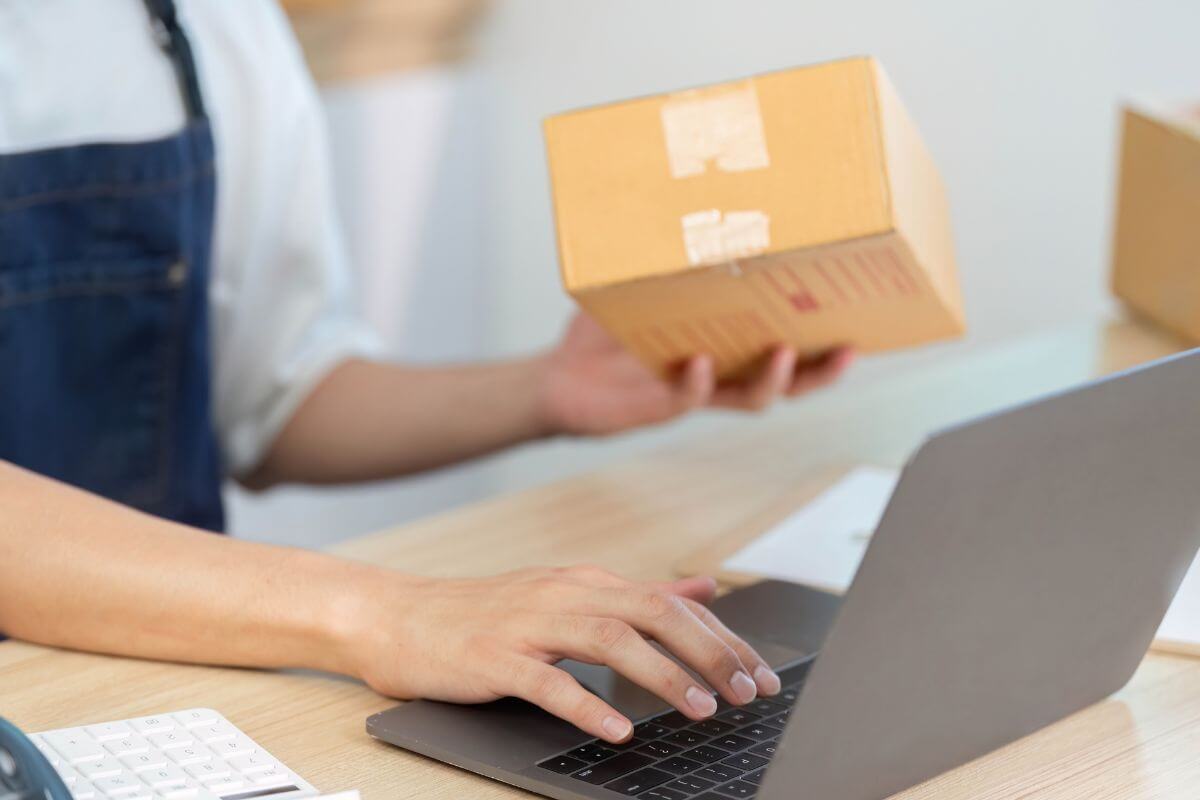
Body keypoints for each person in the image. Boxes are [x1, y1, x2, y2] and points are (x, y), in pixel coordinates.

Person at [0, 0, 853, 743]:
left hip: (177, 677)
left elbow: (271, 400)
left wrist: (549, 389)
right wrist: (384, 613)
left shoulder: (212, 22)